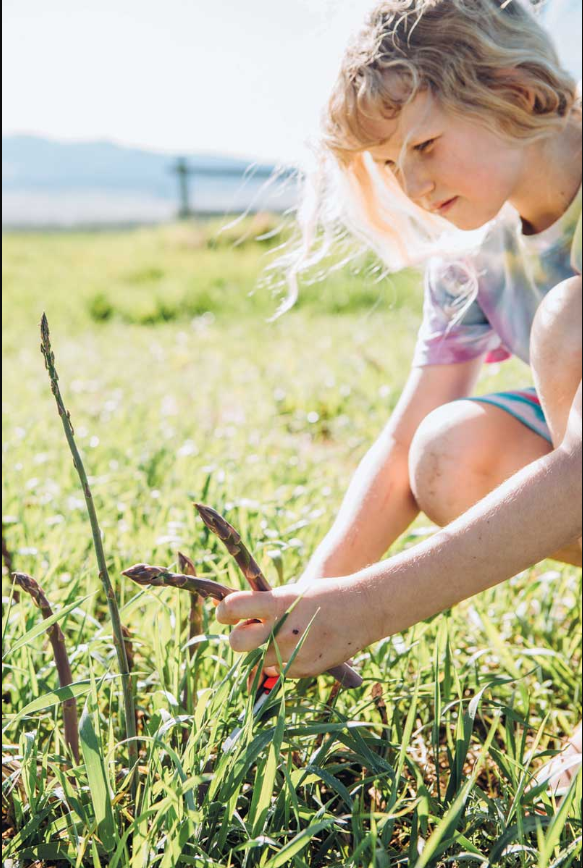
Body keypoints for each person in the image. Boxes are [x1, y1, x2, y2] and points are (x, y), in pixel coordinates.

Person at [215, 0, 582, 794]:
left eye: (423, 145)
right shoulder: (473, 256)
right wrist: (303, 608)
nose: (411, 184)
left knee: (567, 324)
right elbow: (398, 447)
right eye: (386, 164)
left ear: (519, 95)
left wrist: (371, 607)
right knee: (446, 450)